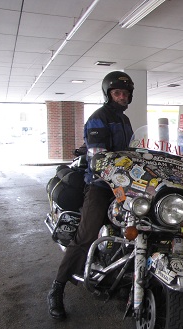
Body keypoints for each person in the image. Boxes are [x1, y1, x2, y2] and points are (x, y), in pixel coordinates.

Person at [47, 71, 135, 320]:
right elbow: (99, 159)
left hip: (123, 186)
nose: (122, 97)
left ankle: (123, 276)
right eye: (117, 93)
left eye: (125, 93)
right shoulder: (99, 119)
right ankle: (57, 287)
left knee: (134, 228)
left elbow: (129, 152)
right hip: (99, 185)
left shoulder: (125, 120)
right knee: (85, 235)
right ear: (108, 95)